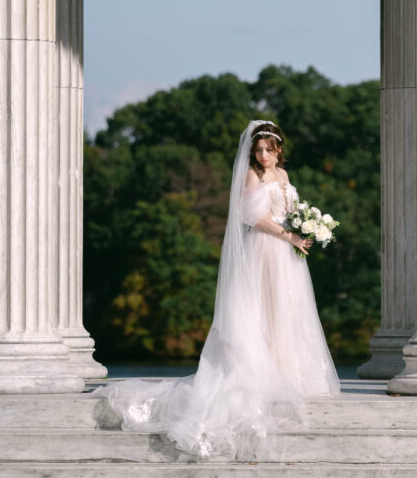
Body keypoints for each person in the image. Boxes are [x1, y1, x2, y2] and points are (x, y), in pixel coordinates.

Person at [94, 120, 340, 458]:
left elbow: (290, 212)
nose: (264, 155)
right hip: (265, 249)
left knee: (289, 310)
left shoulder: (283, 176)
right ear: (253, 152)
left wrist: (307, 226)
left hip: (287, 255)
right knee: (265, 309)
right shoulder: (252, 176)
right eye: (259, 150)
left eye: (270, 149)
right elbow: (251, 217)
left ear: (280, 149)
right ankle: (265, 374)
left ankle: (289, 375)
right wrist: (289, 235)